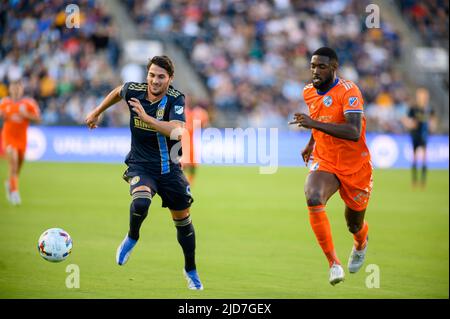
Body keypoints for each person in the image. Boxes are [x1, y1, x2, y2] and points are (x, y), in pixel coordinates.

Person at [85, 55, 203, 290]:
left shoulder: (175, 99)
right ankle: (132, 237)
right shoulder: (135, 90)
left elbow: (178, 132)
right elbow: (118, 91)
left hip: (170, 170)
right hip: (141, 165)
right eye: (151, 75)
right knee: (141, 203)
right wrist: (97, 111)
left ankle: (190, 268)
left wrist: (147, 119)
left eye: (161, 76)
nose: (155, 80)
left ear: (170, 79)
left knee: (183, 223)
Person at [289, 47, 373, 285]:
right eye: (313, 66)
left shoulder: (349, 91)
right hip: (325, 160)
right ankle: (334, 264)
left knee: (353, 224)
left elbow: (354, 131)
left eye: (321, 67)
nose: (315, 71)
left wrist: (312, 124)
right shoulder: (308, 92)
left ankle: (360, 243)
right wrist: (310, 143)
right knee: (313, 196)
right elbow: (321, 117)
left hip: (356, 166)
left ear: (334, 68)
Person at [0, 80, 41, 205]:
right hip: (8, 137)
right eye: (14, 88)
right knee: (13, 163)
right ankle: (14, 192)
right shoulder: (4, 103)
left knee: (18, 167)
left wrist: (26, 115)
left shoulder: (29, 103)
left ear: (22, 89)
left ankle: (10, 183)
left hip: (22, 139)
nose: (16, 90)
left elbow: (38, 119)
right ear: (10, 89)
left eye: (18, 88)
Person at [403, 87, 436, 188]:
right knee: (414, 158)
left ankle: (423, 181)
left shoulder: (429, 108)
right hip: (415, 134)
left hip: (424, 134)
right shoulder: (414, 108)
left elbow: (433, 120)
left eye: (423, 95)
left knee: (424, 158)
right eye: (419, 95)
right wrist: (410, 124)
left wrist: (432, 126)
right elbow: (406, 119)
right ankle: (414, 181)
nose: (421, 97)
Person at [181, 98, 209, 185]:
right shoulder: (182, 111)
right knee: (182, 163)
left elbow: (205, 124)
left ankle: (190, 181)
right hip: (183, 141)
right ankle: (181, 181)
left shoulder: (200, 112)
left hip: (194, 141)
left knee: (193, 164)